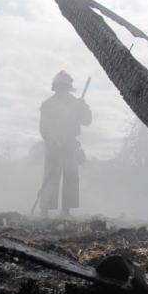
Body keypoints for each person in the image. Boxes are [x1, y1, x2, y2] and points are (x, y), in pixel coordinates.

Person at [38, 70, 92, 218]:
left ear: (68, 88)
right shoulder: (48, 104)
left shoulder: (77, 103)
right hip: (53, 145)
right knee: (51, 176)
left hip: (70, 144)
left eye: (64, 87)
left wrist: (83, 108)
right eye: (60, 87)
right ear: (56, 87)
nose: (62, 90)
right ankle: (45, 209)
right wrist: (52, 140)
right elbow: (44, 127)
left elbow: (87, 121)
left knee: (71, 176)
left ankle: (66, 210)